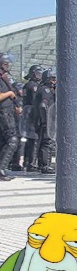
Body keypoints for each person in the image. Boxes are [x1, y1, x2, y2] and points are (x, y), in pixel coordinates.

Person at [0, 53, 20, 181]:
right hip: (3, 114)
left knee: (3, 142)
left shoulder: (4, 78)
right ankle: (1, 169)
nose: (8, 66)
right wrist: (10, 93)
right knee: (12, 141)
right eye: (5, 64)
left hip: (7, 113)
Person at [21, 65, 43, 173]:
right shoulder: (33, 86)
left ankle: (26, 161)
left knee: (30, 139)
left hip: (27, 112)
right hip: (32, 112)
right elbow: (35, 100)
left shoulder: (26, 85)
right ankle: (32, 163)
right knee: (34, 138)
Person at [34, 69, 56, 174]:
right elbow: (43, 105)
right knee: (47, 142)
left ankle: (41, 164)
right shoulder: (46, 90)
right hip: (46, 121)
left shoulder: (41, 88)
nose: (54, 81)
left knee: (43, 142)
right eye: (52, 79)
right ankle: (45, 165)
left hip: (41, 120)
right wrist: (46, 121)